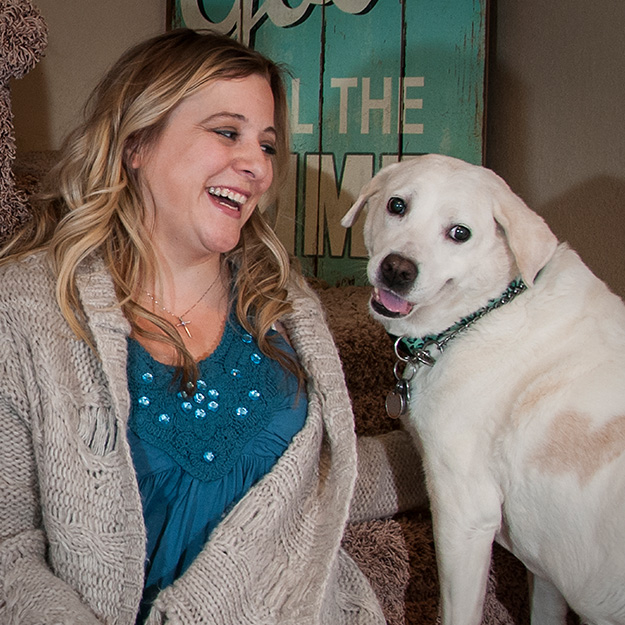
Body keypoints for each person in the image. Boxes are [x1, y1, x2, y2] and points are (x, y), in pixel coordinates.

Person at [0, 29, 424, 624]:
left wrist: (458, 451)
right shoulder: (27, 308)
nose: (256, 165)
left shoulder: (285, 305)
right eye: (227, 132)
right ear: (136, 143)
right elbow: (10, 547)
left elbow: (324, 485)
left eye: (268, 146)